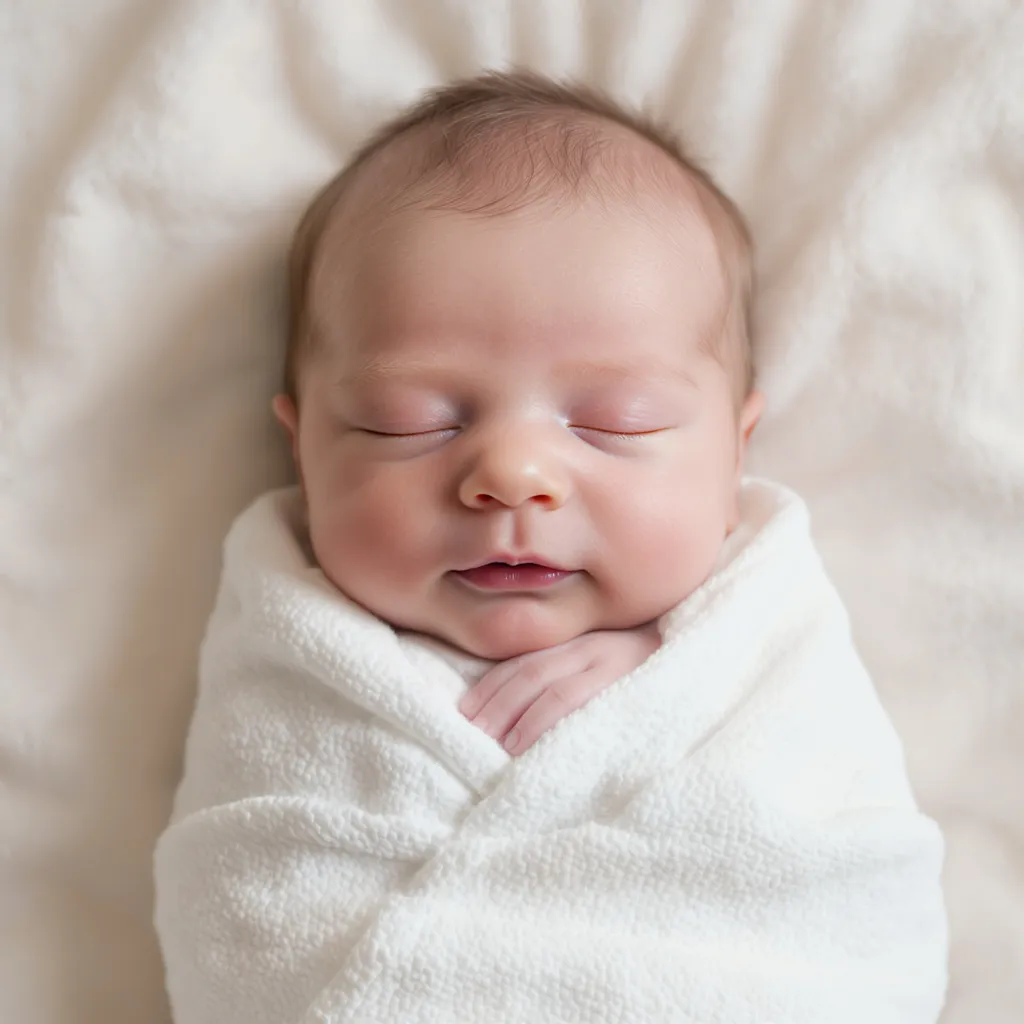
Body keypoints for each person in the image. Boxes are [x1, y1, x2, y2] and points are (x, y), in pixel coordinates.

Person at [154, 70, 947, 1024]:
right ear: (304, 450)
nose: (512, 473)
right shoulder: (294, 649)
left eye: (618, 420)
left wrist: (662, 678)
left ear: (735, 451)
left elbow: (842, 892)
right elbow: (246, 909)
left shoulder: (758, 639)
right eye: (408, 421)